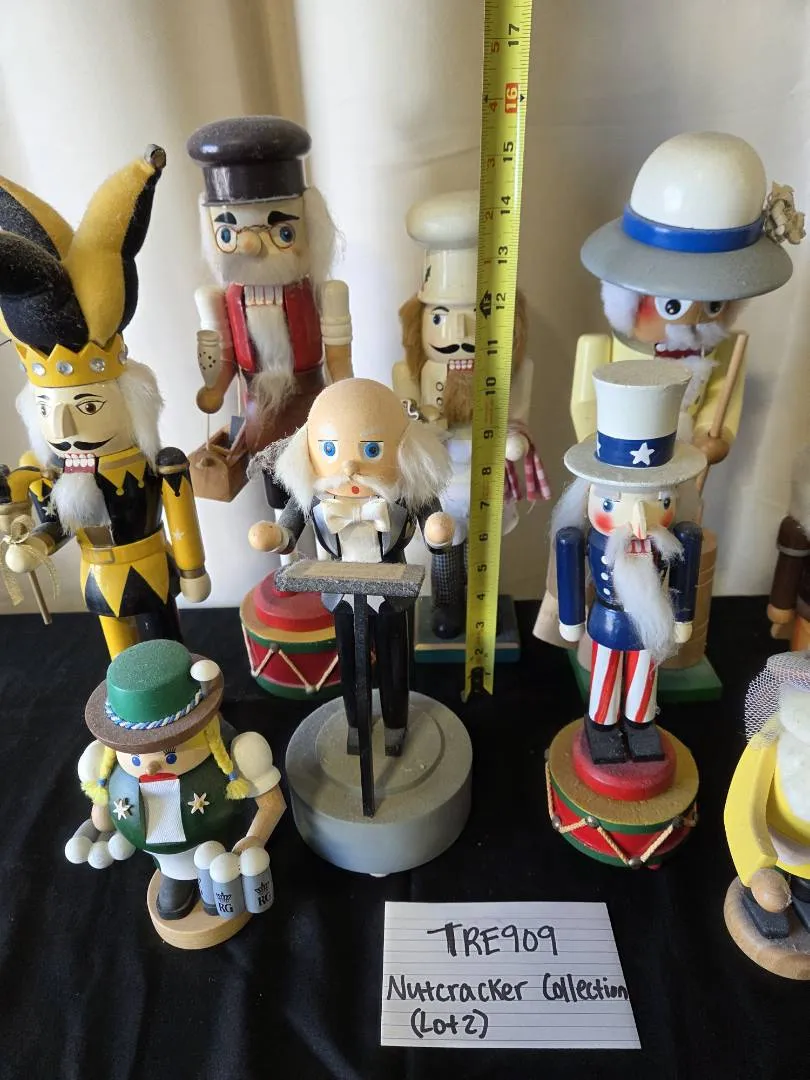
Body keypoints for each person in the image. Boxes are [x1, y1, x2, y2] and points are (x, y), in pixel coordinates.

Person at [0, 148, 209, 657]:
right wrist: (32, 545)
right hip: (96, 578)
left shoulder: (157, 465)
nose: (65, 426)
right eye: (47, 410)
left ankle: (181, 689)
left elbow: (179, 511)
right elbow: (56, 525)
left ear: (133, 400)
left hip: (152, 568)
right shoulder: (55, 475)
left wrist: (192, 568)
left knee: (169, 647)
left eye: (88, 407)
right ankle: (129, 702)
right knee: (121, 662)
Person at [248, 378, 455, 756]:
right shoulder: (313, 495)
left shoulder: (407, 489)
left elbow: (433, 524)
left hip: (392, 590)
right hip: (340, 591)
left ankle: (395, 724)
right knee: (350, 663)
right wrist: (277, 536)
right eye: (330, 449)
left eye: (372, 449)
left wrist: (437, 533)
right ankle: (357, 724)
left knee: (394, 663)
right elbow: (289, 531)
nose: (349, 466)